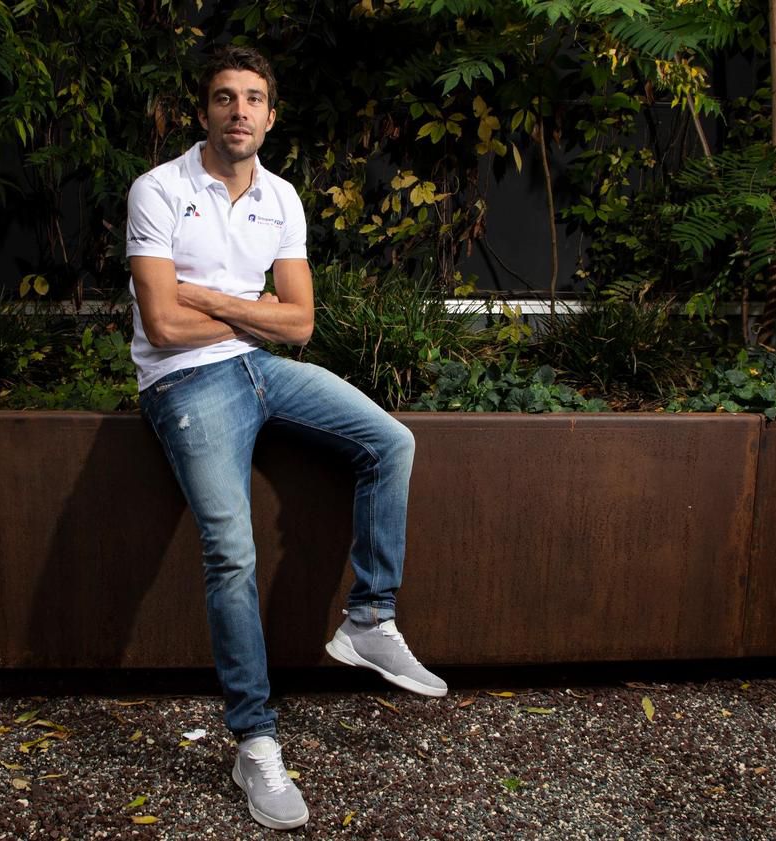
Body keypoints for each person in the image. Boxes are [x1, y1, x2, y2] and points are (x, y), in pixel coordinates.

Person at [125, 45, 447, 832]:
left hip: (263, 367)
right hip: (184, 382)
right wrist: (251, 309)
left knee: (391, 442)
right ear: (204, 111)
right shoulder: (159, 189)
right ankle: (255, 741)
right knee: (231, 548)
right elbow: (162, 324)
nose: (239, 110)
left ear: (270, 116)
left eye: (253, 98)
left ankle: (369, 617)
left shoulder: (282, 198)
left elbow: (299, 324)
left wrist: (208, 298)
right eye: (225, 97)